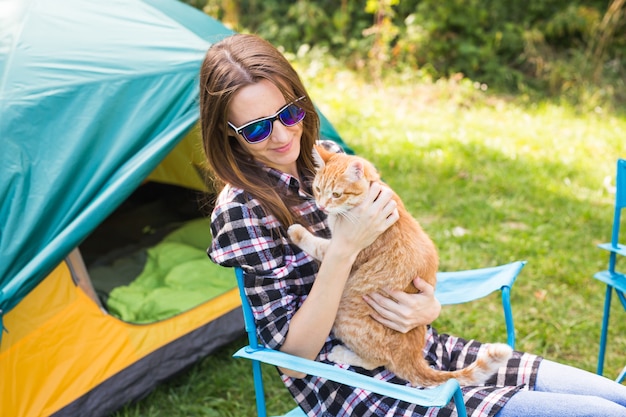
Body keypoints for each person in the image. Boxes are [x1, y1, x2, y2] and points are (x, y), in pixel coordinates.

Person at [199, 33, 626, 417]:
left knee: (616, 399)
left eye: (288, 114)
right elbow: (292, 354)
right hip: (353, 383)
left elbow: (396, 250)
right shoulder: (240, 210)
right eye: (256, 128)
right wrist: (344, 249)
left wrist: (427, 305)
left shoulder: (325, 156)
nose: (281, 136)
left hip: (415, 342)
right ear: (228, 132)